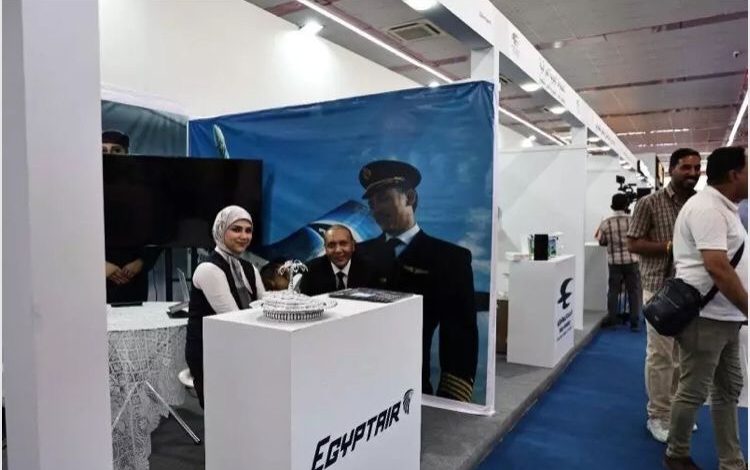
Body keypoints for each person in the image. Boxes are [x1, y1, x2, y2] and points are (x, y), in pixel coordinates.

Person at [356, 160, 478, 402]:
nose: (376, 210)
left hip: (411, 392)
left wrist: (449, 400)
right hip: (358, 385)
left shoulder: (449, 259)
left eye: (383, 199)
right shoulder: (360, 254)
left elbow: (460, 336)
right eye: (372, 204)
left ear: (410, 197)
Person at [663, 147, 748, 470]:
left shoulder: (723, 207)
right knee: (693, 391)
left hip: (724, 317)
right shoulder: (708, 209)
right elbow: (717, 267)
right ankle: (676, 454)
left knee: (728, 390)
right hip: (706, 318)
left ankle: (732, 460)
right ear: (734, 175)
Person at [627, 147, 702, 443]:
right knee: (660, 355)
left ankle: (676, 411)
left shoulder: (700, 203)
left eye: (696, 168)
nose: (692, 173)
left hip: (693, 290)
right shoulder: (649, 203)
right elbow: (633, 243)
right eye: (686, 167)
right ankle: (657, 415)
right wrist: (671, 246)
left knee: (682, 357)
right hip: (659, 289)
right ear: (671, 170)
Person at [185, 205, 265, 408]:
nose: (244, 236)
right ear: (220, 230)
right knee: (225, 413)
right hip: (212, 353)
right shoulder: (208, 269)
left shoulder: (249, 268)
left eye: (248, 230)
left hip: (241, 346)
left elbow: (263, 306)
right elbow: (234, 319)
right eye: (236, 229)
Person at [102, 129, 161, 303]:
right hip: (97, 278)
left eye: (116, 150)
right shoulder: (85, 188)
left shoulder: (143, 188)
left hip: (134, 276)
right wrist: (99, 265)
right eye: (104, 151)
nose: (109, 155)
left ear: (126, 153)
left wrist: (141, 263)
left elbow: (160, 229)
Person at [596, 193, 642, 331]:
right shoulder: (633, 220)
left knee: (613, 291)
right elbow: (638, 238)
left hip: (614, 262)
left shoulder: (606, 223)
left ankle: (612, 319)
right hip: (632, 260)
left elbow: (601, 241)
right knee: (633, 291)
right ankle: (634, 322)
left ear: (612, 206)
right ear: (626, 205)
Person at [299, 224, 375, 296]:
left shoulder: (369, 268)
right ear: (325, 248)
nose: (338, 250)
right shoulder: (311, 270)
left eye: (343, 243)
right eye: (331, 245)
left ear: (353, 246)